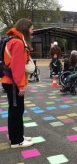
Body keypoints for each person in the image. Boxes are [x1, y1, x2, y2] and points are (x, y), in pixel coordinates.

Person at [2, 19, 34, 148]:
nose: (33, 32)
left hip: (9, 81)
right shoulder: (18, 43)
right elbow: (17, 67)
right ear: (26, 29)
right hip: (13, 83)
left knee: (15, 110)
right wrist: (21, 85)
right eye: (32, 29)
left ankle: (17, 135)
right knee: (17, 111)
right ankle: (17, 140)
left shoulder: (12, 40)